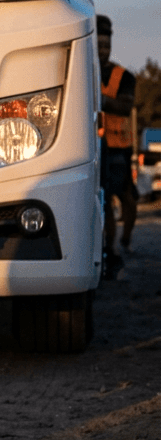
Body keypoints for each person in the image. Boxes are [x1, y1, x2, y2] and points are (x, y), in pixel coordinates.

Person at [97, 15, 137, 277]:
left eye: (106, 46)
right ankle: (111, 251)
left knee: (128, 200)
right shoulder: (83, 70)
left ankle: (121, 244)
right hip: (99, 146)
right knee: (106, 202)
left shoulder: (123, 76)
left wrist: (98, 99)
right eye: (99, 45)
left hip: (119, 147)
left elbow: (125, 106)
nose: (103, 51)